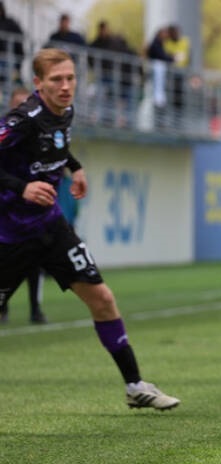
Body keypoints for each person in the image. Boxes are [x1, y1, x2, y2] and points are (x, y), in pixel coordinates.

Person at [0, 48, 180, 410]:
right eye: (56, 80)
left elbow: (57, 145)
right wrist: (22, 188)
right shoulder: (22, 120)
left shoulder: (64, 111)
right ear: (38, 83)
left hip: (51, 227)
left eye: (70, 78)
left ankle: (135, 386)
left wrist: (75, 166)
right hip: (10, 235)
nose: (66, 86)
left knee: (102, 298)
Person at [0, 87, 47, 324]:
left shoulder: (38, 133)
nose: (22, 108)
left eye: (25, 104)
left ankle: (35, 309)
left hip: (29, 206)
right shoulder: (4, 133)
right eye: (18, 104)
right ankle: (4, 308)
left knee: (33, 258)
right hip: (5, 203)